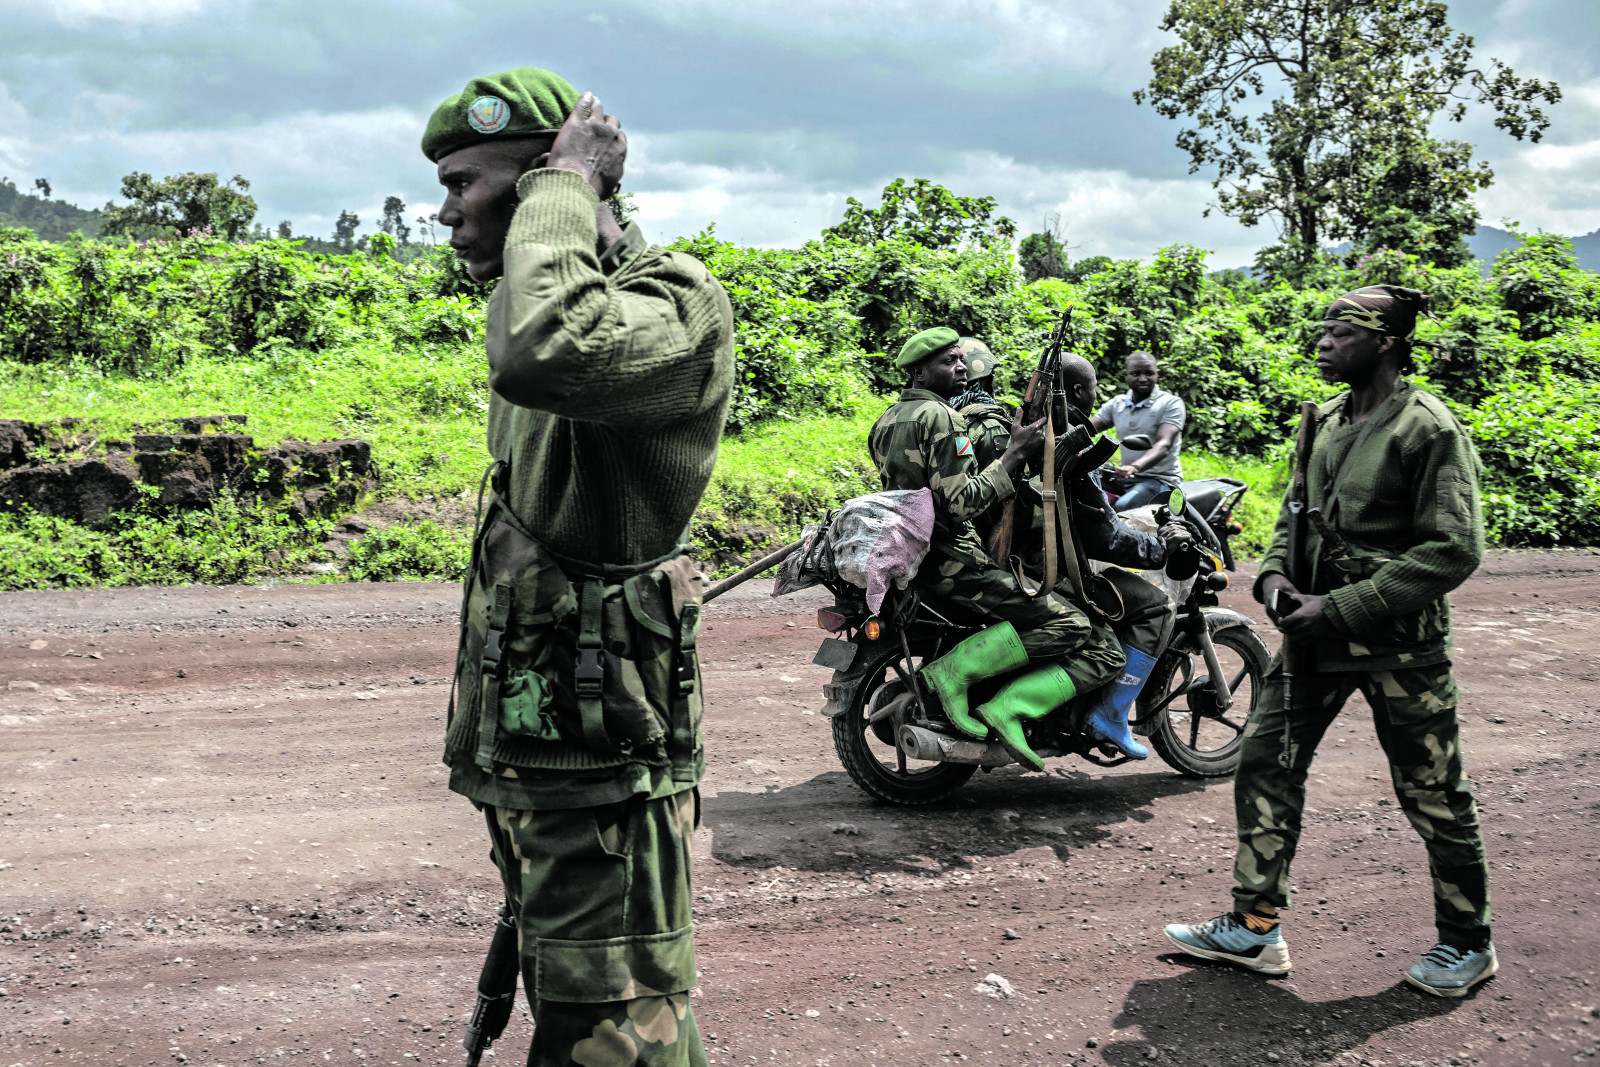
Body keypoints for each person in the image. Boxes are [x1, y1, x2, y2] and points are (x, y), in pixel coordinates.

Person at [426, 67, 733, 1063]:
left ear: (541, 183)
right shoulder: (544, 299)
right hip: (550, 764)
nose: (445, 212)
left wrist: (569, 188)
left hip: (605, 780)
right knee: (590, 1021)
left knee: (619, 1036)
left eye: (465, 184)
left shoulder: (670, 310)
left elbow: (546, 348)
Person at [1163, 285, 1495, 999]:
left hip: (1399, 647)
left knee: (1433, 792)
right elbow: (1293, 514)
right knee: (1263, 762)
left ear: (1385, 342)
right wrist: (1276, 576)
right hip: (1314, 639)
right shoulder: (1325, 420)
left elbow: (1454, 549)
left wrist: (1340, 605)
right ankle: (1254, 928)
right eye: (1323, 328)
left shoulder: (1428, 428)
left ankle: (1468, 943)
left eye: (1340, 331)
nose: (1322, 341)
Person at [867, 326, 1133, 768]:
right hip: (953, 563)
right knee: (1073, 625)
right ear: (918, 372)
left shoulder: (886, 420)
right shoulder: (943, 420)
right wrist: (1013, 456)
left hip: (917, 559)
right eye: (946, 361)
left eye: (959, 359)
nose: (958, 368)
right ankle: (964, 679)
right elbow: (958, 506)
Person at [965, 353, 1190, 761]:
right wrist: (1162, 548)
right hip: (1040, 570)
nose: (1096, 395)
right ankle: (1109, 714)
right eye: (1092, 388)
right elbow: (1106, 539)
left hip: (1001, 558)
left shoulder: (1016, 427)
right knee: (1155, 606)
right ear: (1075, 392)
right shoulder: (1067, 442)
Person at [1090, 352, 1185, 512]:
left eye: (1148, 373)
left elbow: (1164, 444)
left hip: (1160, 480)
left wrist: (1134, 467)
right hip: (1126, 478)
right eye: (1136, 373)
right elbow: (1089, 427)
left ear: (1157, 374)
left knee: (1123, 507)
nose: (1142, 378)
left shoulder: (1170, 403)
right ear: (1126, 375)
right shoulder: (1117, 404)